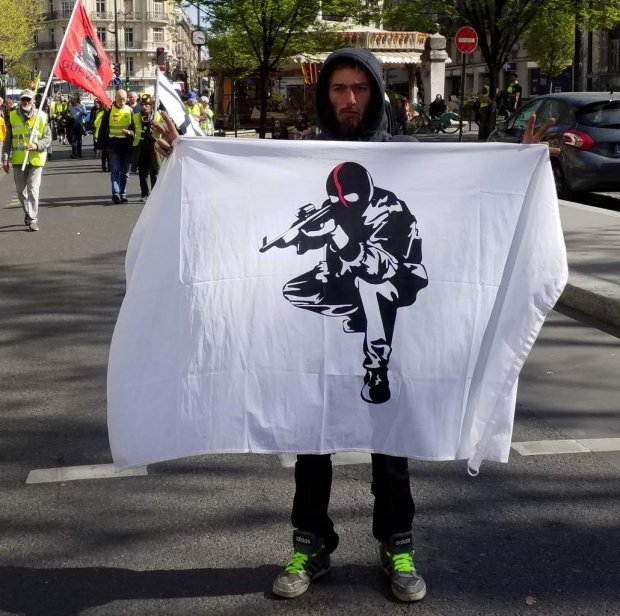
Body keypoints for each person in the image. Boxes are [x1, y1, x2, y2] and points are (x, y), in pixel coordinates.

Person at [152, 47, 556, 604]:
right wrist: (188, 164)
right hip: (343, 284)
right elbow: (263, 208)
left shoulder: (401, 177)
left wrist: (521, 165)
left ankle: (397, 539)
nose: (348, 99)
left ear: (377, 94)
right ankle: (310, 542)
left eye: (359, 89)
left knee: (388, 431)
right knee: (310, 423)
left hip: (393, 281)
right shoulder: (314, 161)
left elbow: (396, 254)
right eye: (338, 89)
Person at [2, 89, 52, 232]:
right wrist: (5, 158)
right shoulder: (12, 116)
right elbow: (7, 140)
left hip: (36, 159)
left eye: (28, 100)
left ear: (33, 101)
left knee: (33, 190)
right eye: (23, 99)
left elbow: (47, 138)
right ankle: (28, 213)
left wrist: (37, 145)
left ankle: (33, 219)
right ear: (20, 100)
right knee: (20, 191)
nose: (26, 102)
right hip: (18, 160)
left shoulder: (42, 116)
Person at [99, 89, 135, 203]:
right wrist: (99, 146)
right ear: (115, 98)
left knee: (125, 172)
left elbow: (134, 128)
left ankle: (123, 193)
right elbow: (102, 129)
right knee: (115, 171)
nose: (122, 101)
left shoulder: (130, 110)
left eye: (124, 99)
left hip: (126, 146)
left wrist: (130, 133)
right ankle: (116, 193)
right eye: (120, 99)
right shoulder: (109, 110)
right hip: (113, 146)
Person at [131, 94, 162, 201]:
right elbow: (132, 130)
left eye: (147, 104)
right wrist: (129, 132)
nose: (144, 107)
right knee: (142, 173)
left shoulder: (158, 115)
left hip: (154, 149)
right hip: (141, 149)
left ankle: (154, 195)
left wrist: (158, 126)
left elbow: (165, 130)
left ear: (151, 105)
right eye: (143, 104)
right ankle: (144, 194)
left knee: (155, 173)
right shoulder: (135, 116)